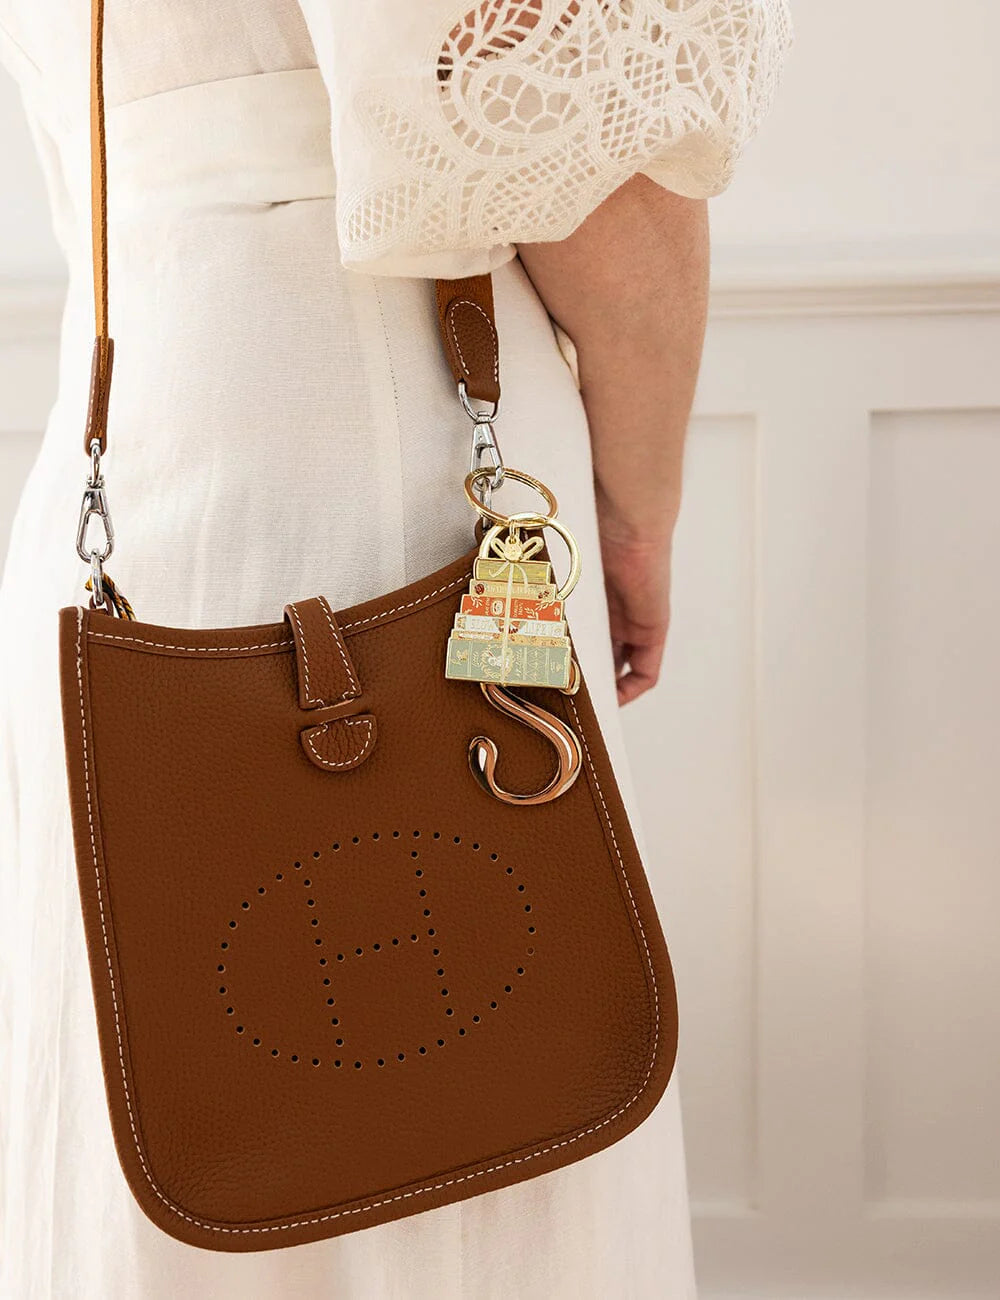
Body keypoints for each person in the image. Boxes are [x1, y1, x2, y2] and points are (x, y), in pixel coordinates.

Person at [0, 3, 790, 1296]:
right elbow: (583, 175)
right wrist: (638, 511)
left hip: (136, 445)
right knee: (475, 1113)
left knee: (177, 1088)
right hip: (394, 458)